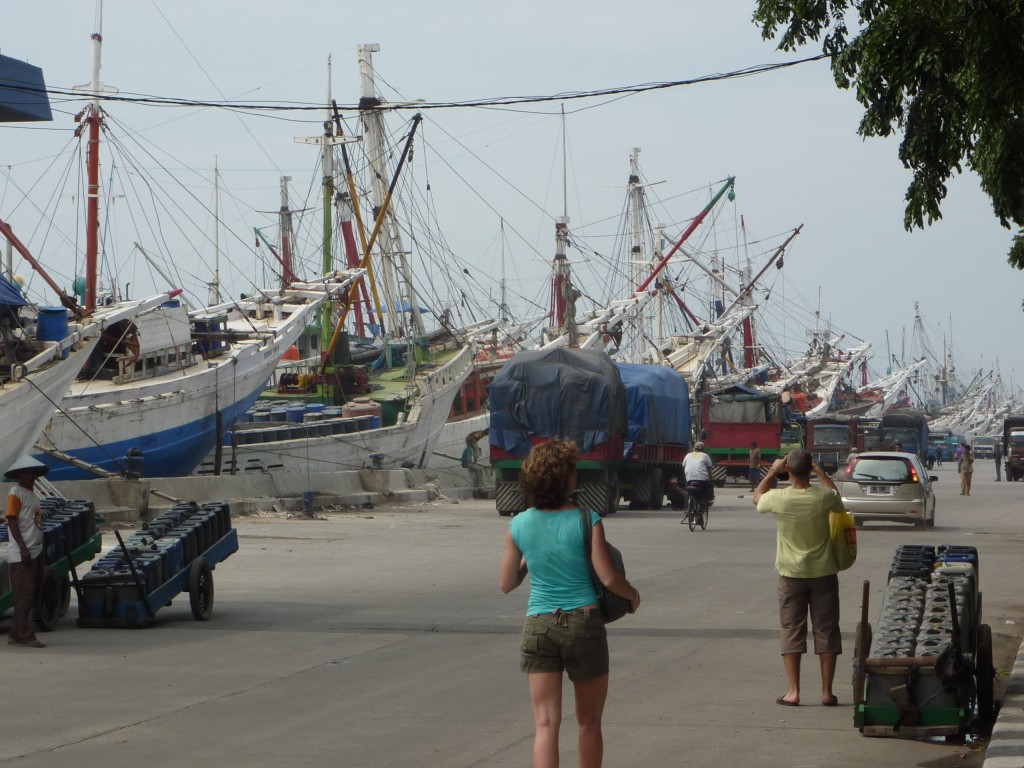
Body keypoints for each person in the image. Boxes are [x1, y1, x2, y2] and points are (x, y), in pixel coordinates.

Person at [499, 439, 640, 768]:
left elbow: (506, 584)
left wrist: (530, 559)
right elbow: (608, 578)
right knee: (588, 722)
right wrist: (632, 596)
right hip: (582, 625)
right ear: (566, 478)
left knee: (546, 725)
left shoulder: (519, 524)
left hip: (539, 625)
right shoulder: (586, 519)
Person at [752, 448, 845, 707]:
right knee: (826, 630)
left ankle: (794, 692)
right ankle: (827, 692)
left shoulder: (779, 498)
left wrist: (772, 470)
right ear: (809, 470)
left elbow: (756, 497)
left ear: (788, 471)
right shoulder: (823, 497)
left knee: (792, 630)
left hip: (791, 574)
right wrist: (821, 472)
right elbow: (837, 497)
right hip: (824, 572)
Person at [5, 455, 49, 649]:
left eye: (34, 473)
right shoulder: (16, 492)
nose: (32, 476)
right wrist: (22, 547)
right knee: (24, 595)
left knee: (31, 594)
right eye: (29, 472)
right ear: (21, 474)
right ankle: (26, 635)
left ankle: (17, 633)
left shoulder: (32, 495)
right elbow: (12, 519)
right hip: (23, 552)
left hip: (35, 550)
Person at [681, 441, 714, 523]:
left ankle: (690, 505)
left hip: (690, 480)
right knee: (708, 487)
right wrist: (711, 480)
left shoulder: (688, 455)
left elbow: (683, 466)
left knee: (689, 491)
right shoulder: (705, 456)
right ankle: (705, 501)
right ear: (703, 449)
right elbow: (709, 469)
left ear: (694, 448)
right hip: (702, 480)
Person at [462, 431, 486, 498]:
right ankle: (479, 485)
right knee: (478, 469)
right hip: (468, 463)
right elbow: (468, 460)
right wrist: (474, 463)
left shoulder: (470, 448)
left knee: (480, 469)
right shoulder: (469, 449)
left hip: (469, 440)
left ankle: (481, 485)